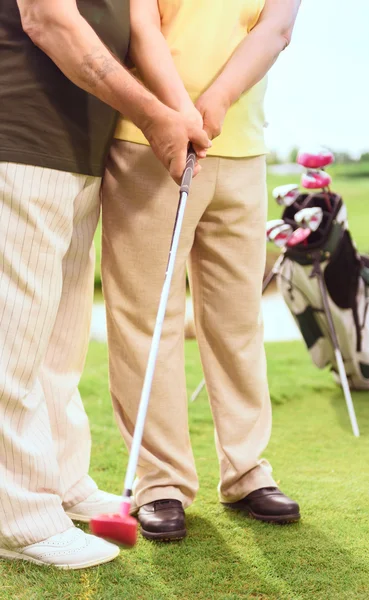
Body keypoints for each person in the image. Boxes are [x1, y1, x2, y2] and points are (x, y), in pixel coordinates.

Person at [0, 0, 210, 569]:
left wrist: (180, 111)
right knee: (12, 348)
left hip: (80, 152)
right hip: (19, 139)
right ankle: (18, 519)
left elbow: (139, 29)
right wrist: (155, 115)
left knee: (57, 349)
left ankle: (62, 483)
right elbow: (47, 19)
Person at [101, 0, 302, 542]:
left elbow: (276, 28)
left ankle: (245, 470)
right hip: (148, 139)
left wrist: (214, 103)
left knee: (237, 320)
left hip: (241, 146)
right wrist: (177, 112)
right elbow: (142, 25)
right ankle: (161, 482)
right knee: (147, 319)